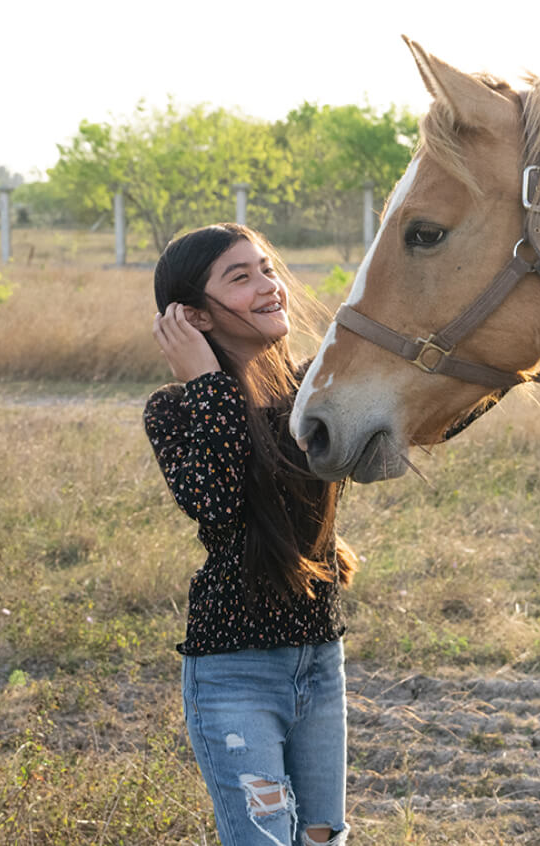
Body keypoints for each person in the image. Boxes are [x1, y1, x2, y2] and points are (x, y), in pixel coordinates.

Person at [145, 222, 357, 845]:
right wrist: (207, 383)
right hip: (233, 673)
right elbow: (217, 503)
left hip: (320, 661)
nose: (270, 287)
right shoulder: (176, 408)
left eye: (266, 268)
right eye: (240, 278)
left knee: (324, 839)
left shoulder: (312, 392)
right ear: (194, 318)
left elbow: (413, 418)